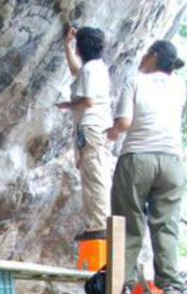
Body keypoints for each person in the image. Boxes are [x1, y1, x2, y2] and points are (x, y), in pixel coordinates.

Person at [106, 40, 187, 294]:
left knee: (128, 223)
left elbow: (124, 122)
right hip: (172, 162)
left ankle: (123, 286)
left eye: (145, 54)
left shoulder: (135, 82)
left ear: (153, 56)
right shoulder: (179, 85)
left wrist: (110, 133)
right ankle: (172, 286)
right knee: (166, 224)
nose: (141, 58)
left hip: (137, 158)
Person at [57, 25, 114, 240]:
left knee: (94, 175)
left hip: (92, 128)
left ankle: (99, 225)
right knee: (95, 174)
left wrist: (66, 105)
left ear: (82, 48)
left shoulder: (91, 70)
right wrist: (67, 45)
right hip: (97, 128)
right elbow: (76, 71)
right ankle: (97, 223)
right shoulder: (96, 68)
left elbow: (87, 101)